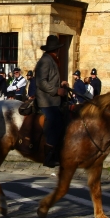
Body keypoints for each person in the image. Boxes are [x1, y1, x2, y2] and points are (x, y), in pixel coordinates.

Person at [35, 35, 69, 168]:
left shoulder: (53, 60)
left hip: (54, 99)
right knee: (56, 122)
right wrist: (56, 90)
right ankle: (48, 156)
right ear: (55, 49)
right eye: (58, 49)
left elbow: (51, 80)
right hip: (46, 100)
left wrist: (61, 84)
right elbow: (41, 82)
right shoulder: (45, 61)